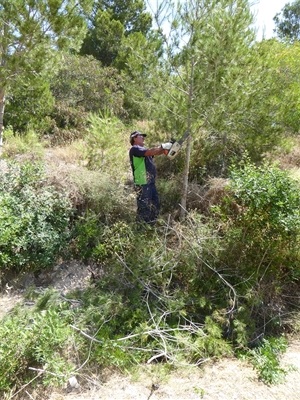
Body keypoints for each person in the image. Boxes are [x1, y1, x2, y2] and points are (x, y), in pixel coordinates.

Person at [129, 131, 173, 225]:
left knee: (154, 204)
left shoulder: (143, 150)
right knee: (144, 206)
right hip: (142, 182)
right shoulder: (135, 149)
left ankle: (151, 226)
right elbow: (151, 151)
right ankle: (141, 228)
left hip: (150, 182)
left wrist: (170, 147)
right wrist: (164, 146)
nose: (143, 138)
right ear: (134, 138)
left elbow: (157, 152)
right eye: (141, 136)